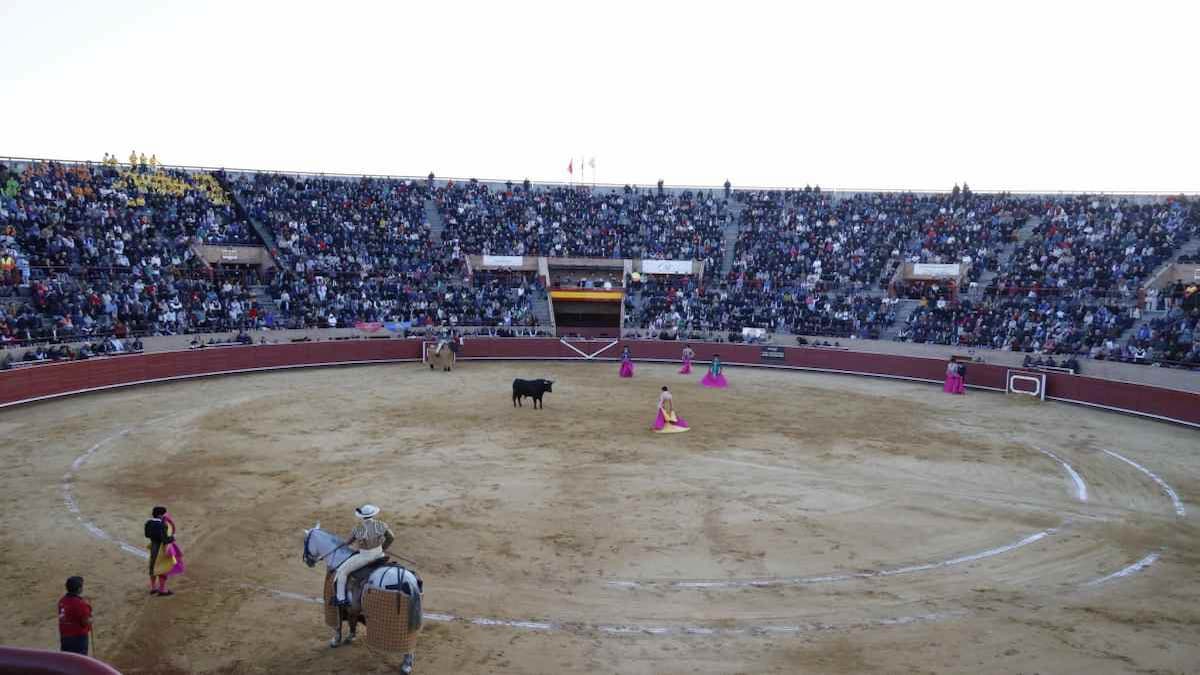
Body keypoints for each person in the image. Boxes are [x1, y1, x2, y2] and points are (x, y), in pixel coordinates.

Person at [334, 504, 395, 606]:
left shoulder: (357, 529)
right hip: (380, 555)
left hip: (365, 557)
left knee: (342, 572)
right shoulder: (381, 525)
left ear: (362, 516)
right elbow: (391, 537)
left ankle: (341, 599)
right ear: (373, 514)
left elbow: (349, 542)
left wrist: (342, 543)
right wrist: (383, 547)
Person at [145, 506, 176, 596]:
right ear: (160, 515)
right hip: (161, 548)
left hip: (153, 547)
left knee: (153, 566)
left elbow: (147, 535)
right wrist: (172, 538)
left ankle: (153, 588)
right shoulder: (163, 525)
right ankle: (162, 590)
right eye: (165, 513)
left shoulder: (148, 523)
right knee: (163, 567)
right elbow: (165, 540)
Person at [58, 576, 92, 655]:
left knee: (67, 660)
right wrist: (91, 619)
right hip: (78, 639)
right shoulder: (80, 604)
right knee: (80, 661)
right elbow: (85, 622)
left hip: (64, 638)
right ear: (79, 589)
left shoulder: (62, 601)